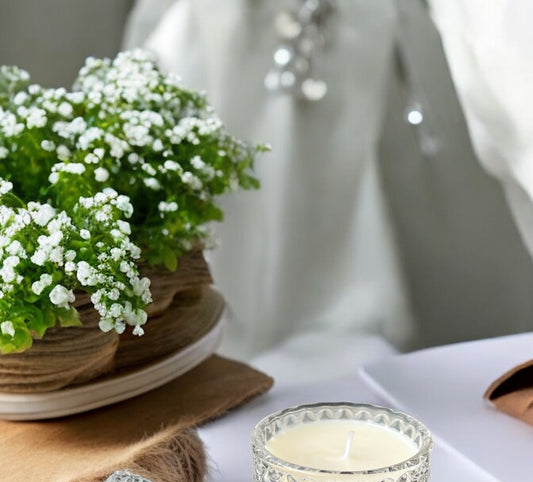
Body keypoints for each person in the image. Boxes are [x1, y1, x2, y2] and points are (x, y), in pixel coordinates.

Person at [123, 0, 414, 370]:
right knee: (227, 175)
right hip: (223, 30)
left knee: (330, 169)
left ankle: (331, 319)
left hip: (332, 30)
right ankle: (216, 329)